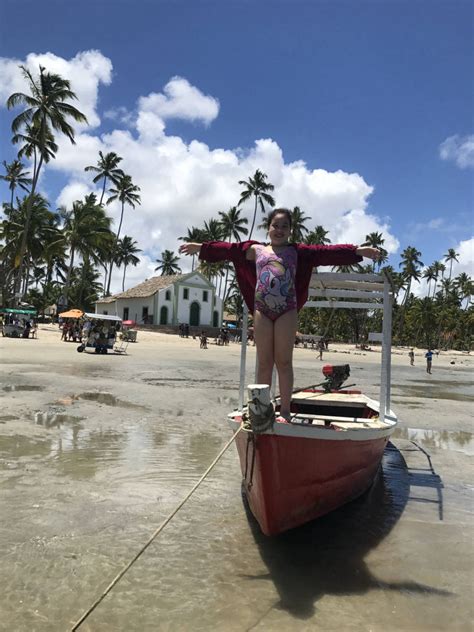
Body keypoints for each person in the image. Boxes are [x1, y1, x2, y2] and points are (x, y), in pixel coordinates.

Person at [179, 207, 381, 422]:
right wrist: (201, 247)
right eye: (276, 225)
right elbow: (228, 249)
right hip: (261, 310)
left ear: (290, 230)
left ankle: (284, 411)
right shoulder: (255, 250)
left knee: (284, 362)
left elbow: (326, 252)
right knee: (264, 363)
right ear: (268, 228)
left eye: (285, 226)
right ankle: (261, 409)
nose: (280, 229)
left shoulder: (298, 252)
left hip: (287, 310)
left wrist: (357, 251)